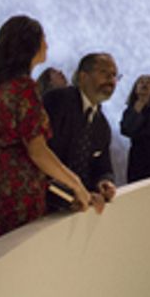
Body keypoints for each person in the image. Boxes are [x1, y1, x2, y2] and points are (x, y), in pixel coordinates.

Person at [0, 15, 100, 250]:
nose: (47, 44)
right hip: (19, 190)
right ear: (30, 45)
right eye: (43, 39)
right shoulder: (24, 88)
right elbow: (37, 151)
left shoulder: (1, 87)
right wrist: (76, 184)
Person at [43, 52, 120, 208]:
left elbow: (103, 167)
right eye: (104, 73)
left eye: (114, 75)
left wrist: (105, 182)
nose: (110, 80)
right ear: (83, 77)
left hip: (76, 210)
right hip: (44, 205)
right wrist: (68, 197)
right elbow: (43, 157)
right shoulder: (58, 102)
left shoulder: (102, 125)